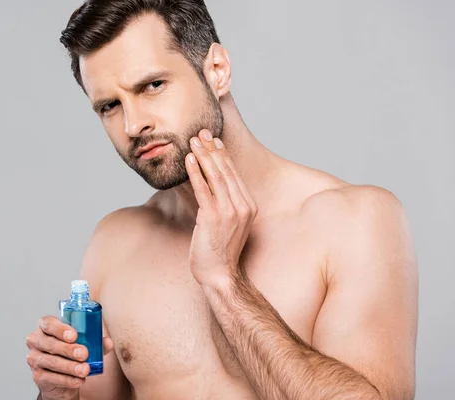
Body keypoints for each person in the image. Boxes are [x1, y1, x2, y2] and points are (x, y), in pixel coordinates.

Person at [25, 1, 418, 399]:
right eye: (110, 106)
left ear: (217, 71)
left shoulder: (354, 221)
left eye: (152, 86)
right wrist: (57, 392)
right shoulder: (116, 241)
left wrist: (226, 282)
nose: (132, 124)